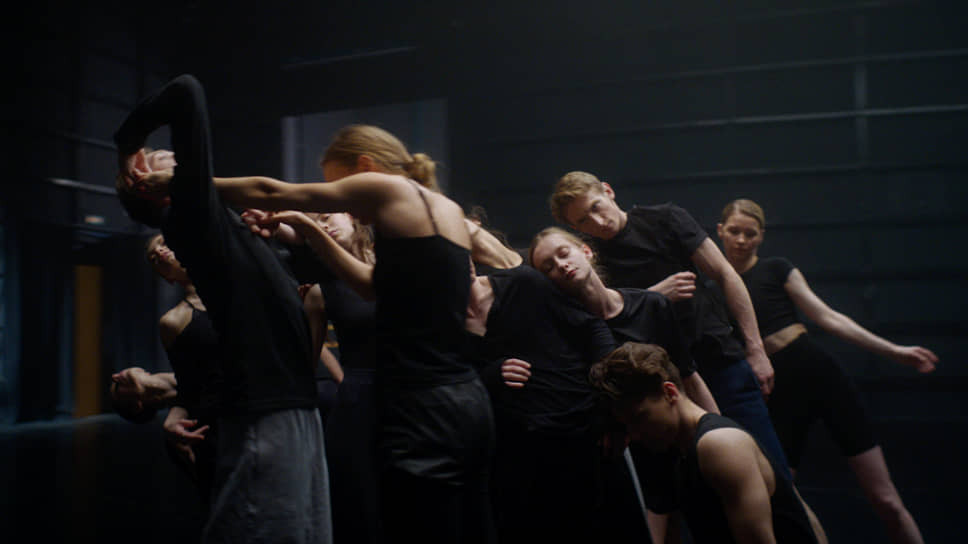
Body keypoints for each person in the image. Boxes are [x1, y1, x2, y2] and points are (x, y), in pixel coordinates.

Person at [215, 124, 496, 544]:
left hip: (422, 408)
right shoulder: (446, 209)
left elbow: (270, 191)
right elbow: (370, 285)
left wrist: (183, 183)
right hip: (467, 401)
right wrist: (306, 227)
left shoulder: (387, 187)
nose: (344, 204)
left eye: (339, 189)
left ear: (365, 167)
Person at [114, 74, 330, 543]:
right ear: (146, 180)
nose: (168, 152)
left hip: (292, 405)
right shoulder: (189, 214)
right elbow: (186, 90)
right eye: (158, 155)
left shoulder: (220, 221)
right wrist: (127, 143)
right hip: (264, 411)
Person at [717, 198, 935, 544]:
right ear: (720, 231)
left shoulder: (776, 269)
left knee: (886, 500)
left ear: (762, 236)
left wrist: (895, 351)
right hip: (777, 391)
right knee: (780, 500)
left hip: (818, 373)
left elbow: (828, 317)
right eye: (734, 231)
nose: (742, 240)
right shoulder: (715, 287)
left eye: (750, 233)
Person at [548, 171, 790, 474]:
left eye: (596, 207)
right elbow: (604, 323)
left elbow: (725, 274)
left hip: (718, 356)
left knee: (770, 467)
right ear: (574, 228)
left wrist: (756, 349)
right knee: (703, 478)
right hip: (665, 384)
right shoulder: (587, 260)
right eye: (584, 220)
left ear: (608, 191)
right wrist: (653, 296)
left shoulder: (665, 219)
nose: (597, 222)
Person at [529, 226, 718, 543]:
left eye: (563, 253)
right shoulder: (563, 334)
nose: (560, 265)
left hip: (677, 441)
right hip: (625, 459)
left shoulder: (651, 305)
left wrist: (718, 428)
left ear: (586, 251)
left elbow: (688, 376)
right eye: (548, 266)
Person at [590, 342, 825, 544]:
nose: (635, 434)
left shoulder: (719, 445)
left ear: (670, 393)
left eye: (638, 418)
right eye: (627, 425)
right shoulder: (685, 452)